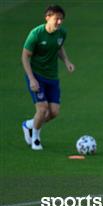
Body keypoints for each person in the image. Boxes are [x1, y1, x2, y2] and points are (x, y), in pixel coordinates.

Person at [21, 4, 75, 150]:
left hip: (52, 77)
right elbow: (25, 56)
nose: (59, 22)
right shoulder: (36, 34)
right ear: (47, 18)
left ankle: (29, 125)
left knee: (54, 112)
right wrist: (31, 78)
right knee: (43, 109)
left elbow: (58, 47)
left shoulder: (62, 33)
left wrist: (67, 61)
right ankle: (36, 139)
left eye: (61, 19)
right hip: (37, 76)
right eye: (57, 19)